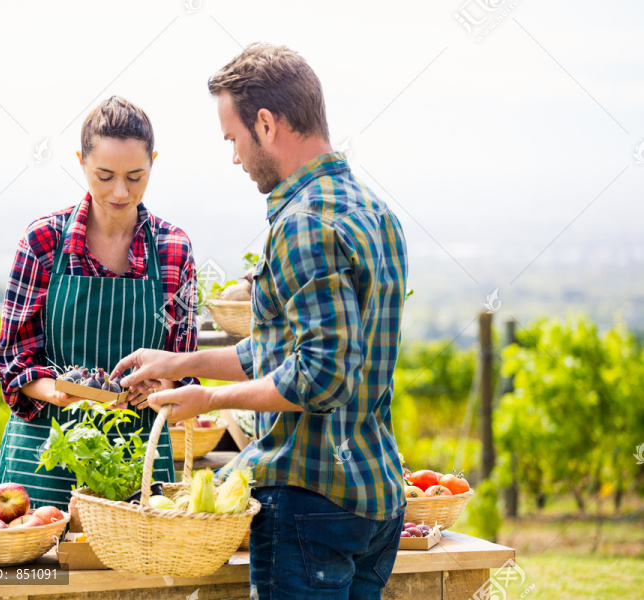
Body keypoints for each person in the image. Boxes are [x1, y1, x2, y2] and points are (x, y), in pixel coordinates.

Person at [112, 44, 408, 599]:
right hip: (374, 499)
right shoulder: (373, 211)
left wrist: (211, 401)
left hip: (308, 501)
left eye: (233, 138)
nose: (234, 157)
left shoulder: (302, 224)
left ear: (266, 124)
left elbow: (320, 378)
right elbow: (288, 349)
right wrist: (184, 363)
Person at [0, 95, 199, 509]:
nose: (120, 192)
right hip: (45, 455)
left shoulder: (174, 250)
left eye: (135, 176)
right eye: (104, 175)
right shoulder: (43, 242)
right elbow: (13, 358)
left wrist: (163, 384)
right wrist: (57, 391)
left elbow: (185, 364)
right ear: (81, 161)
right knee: (46, 573)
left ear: (154, 161)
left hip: (139, 459)